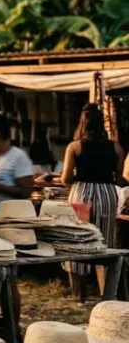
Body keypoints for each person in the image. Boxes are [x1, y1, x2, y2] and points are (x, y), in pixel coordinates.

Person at [62, 104, 123, 245]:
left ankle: (80, 267)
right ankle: (105, 265)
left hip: (81, 192)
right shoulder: (116, 148)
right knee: (105, 237)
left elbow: (66, 179)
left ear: (82, 123)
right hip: (107, 194)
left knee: (80, 237)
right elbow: (119, 181)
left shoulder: (74, 147)